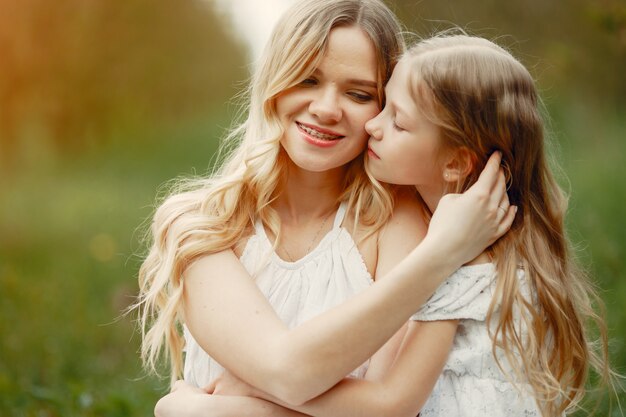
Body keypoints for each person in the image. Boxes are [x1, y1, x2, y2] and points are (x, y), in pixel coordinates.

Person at [199, 33, 614, 417]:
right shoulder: (450, 243)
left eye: (397, 121)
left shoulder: (468, 265)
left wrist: (245, 393)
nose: (373, 126)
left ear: (455, 162)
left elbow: (390, 404)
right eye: (383, 108)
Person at [137, 1, 515, 415]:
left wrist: (202, 411)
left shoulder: (398, 222)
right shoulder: (201, 227)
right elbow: (286, 372)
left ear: (384, 108)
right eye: (307, 80)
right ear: (274, 81)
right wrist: (442, 253)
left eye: (358, 94)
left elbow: (387, 407)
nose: (327, 109)